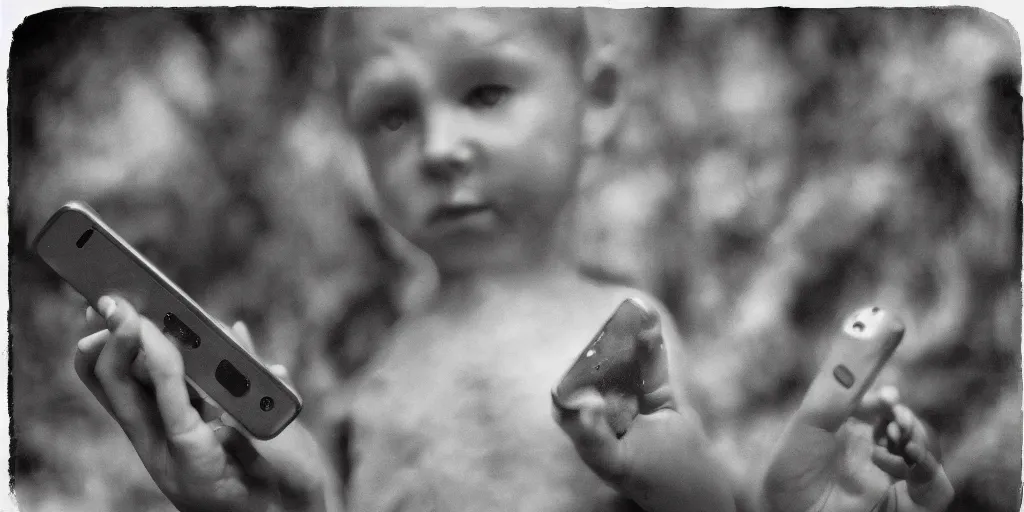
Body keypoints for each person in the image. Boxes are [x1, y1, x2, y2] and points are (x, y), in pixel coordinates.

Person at [72, 7, 952, 512]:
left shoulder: (625, 333)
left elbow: (716, 506)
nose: (440, 146)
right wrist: (278, 490)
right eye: (392, 115)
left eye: (485, 91)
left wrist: (666, 475)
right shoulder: (371, 372)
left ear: (597, 101)